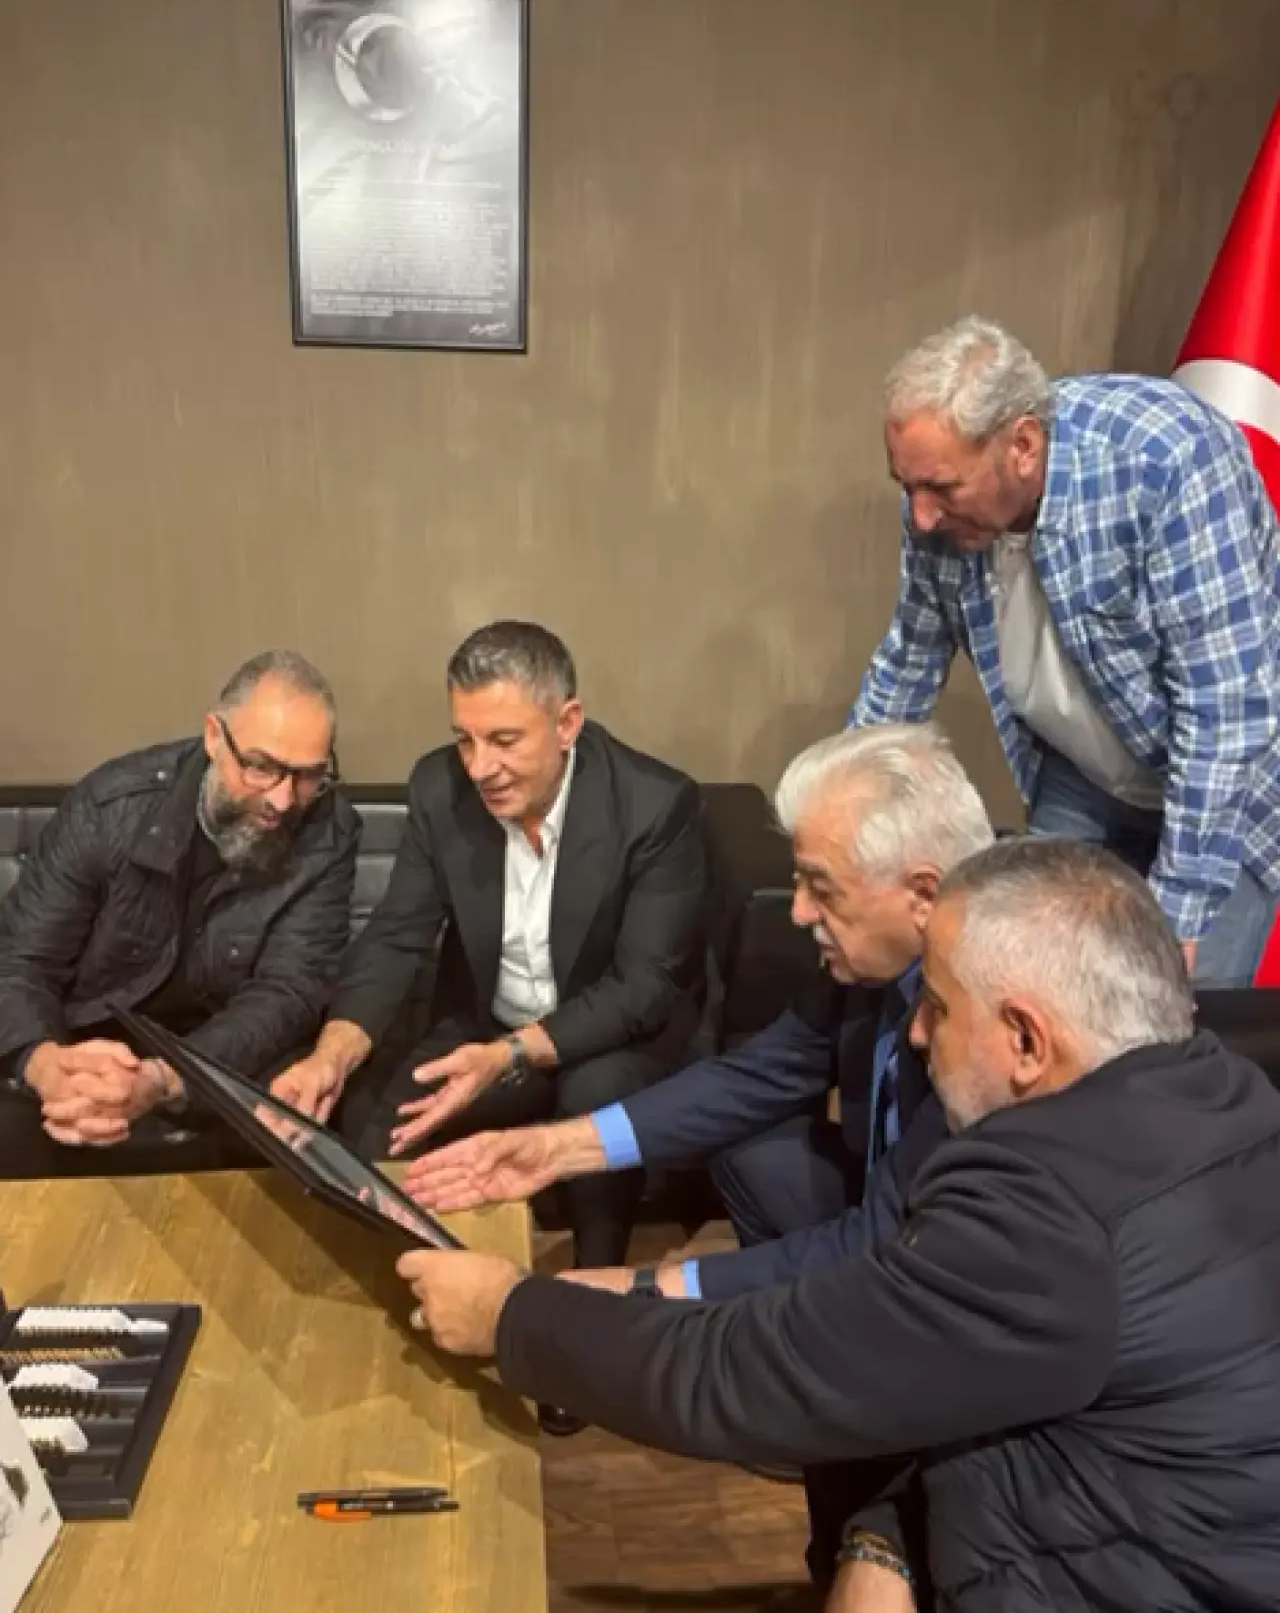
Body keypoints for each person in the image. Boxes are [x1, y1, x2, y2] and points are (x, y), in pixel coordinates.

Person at [398, 838, 1280, 1612]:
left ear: (1026, 1040)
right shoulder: (1231, 1091)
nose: (919, 1034)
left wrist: (511, 1315)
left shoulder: (1044, 1207)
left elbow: (748, 1372)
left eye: (937, 1006)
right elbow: (992, 1383)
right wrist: (883, 1537)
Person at [403, 722, 991, 1564]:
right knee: (755, 1155)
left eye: (820, 887)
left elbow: (877, 1246)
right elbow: (761, 1073)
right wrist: (555, 1148)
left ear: (923, 894)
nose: (797, 910)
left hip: (948, 1306)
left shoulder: (983, 1039)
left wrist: (629, 1290)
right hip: (889, 1227)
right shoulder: (878, 964)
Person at [274, 621, 706, 1303]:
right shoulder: (439, 788)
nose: (479, 767)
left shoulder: (655, 805)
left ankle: (589, 1291)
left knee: (594, 1092)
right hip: (485, 1025)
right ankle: (410, 1290)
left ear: (567, 723)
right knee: (376, 1122)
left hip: (613, 1036)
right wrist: (331, 1056)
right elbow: (395, 937)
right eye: (465, 739)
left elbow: (643, 989)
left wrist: (510, 1054)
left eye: (504, 741)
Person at [849, 314, 1280, 987]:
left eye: (942, 488)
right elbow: (906, 665)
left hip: (1224, 794)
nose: (922, 515)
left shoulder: (1167, 460)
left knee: (1171, 1016)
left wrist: (1182, 913)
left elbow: (1224, 710)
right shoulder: (935, 511)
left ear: (1023, 445)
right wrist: (843, 812)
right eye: (908, 487)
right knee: (1030, 984)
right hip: (1084, 774)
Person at [0, 651, 358, 1175]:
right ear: (214, 736)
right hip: (84, 1047)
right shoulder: (112, 806)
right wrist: (46, 1064)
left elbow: (288, 991)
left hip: (224, 1060)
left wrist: (164, 1078)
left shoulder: (330, 831)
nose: (283, 800)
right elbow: (21, 962)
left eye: (308, 776)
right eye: (261, 767)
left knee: (297, 1127)